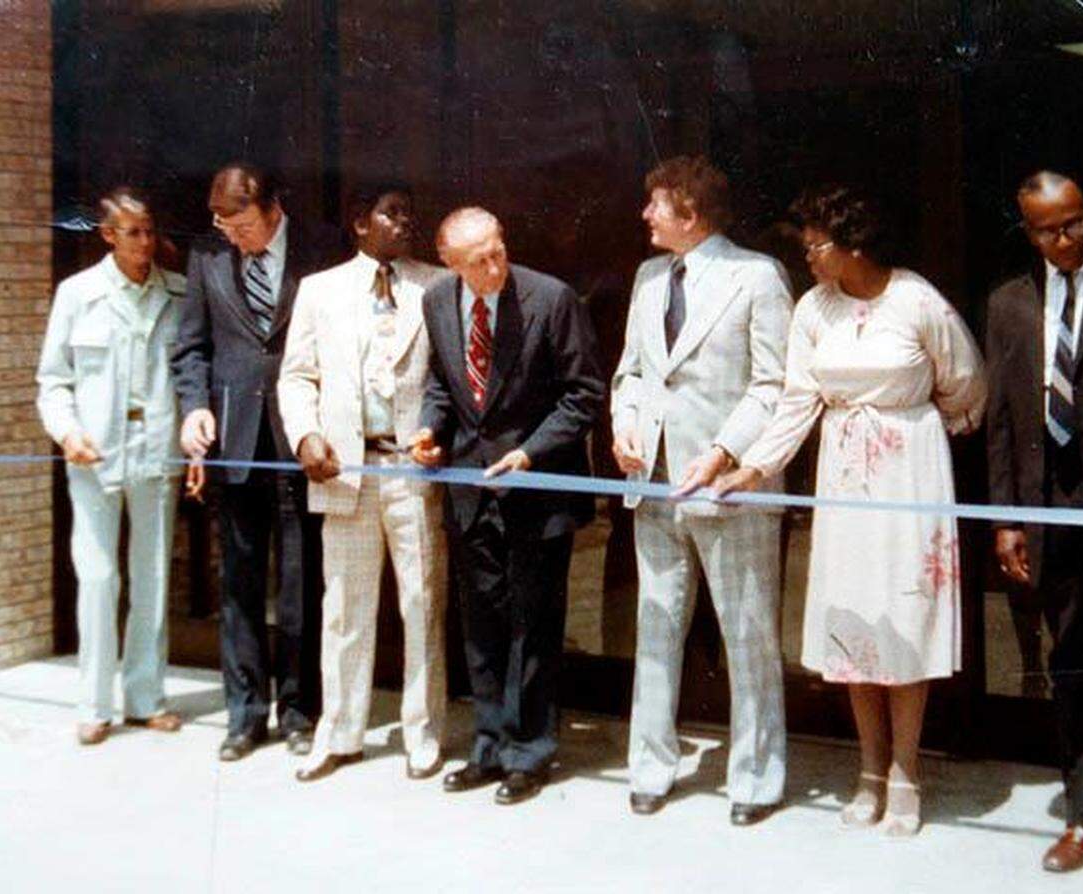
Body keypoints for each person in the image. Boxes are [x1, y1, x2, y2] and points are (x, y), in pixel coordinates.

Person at [715, 184, 986, 837]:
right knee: (855, 625)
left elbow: (966, 385)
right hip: (842, 479)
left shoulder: (918, 301)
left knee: (904, 618)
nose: (808, 253)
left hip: (909, 476)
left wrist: (912, 432)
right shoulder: (812, 309)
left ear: (854, 245)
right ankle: (868, 769)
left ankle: (906, 773)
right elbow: (796, 402)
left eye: (817, 243)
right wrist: (750, 467)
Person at [611, 155, 792, 822]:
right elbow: (630, 373)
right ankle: (649, 769)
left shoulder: (758, 277)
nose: (644, 216)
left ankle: (756, 779)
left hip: (730, 488)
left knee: (748, 637)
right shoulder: (649, 276)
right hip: (652, 483)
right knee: (655, 629)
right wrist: (625, 426)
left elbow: (774, 384)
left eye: (655, 205)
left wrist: (723, 452)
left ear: (689, 213)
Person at [411, 207, 604, 805]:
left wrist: (531, 452)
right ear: (450, 264)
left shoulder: (552, 299)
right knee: (482, 626)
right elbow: (443, 382)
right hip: (470, 489)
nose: (495, 265)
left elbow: (584, 394)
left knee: (534, 626)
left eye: (499, 250)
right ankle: (488, 745)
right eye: (479, 260)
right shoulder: (438, 300)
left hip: (536, 488)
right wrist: (429, 429)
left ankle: (530, 751)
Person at [171, 162, 343, 761]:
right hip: (234, 443)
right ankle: (244, 715)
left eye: (242, 224)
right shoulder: (208, 259)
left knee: (301, 583)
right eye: (224, 226)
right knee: (239, 583)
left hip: (303, 441)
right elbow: (191, 345)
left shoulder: (321, 250)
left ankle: (299, 709)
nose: (234, 237)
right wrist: (193, 408)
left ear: (273, 208)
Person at [278, 185, 448, 783]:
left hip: (411, 469)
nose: (404, 223)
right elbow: (297, 377)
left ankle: (422, 732)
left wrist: (435, 431)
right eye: (390, 213)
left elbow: (447, 377)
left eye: (409, 213)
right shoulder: (320, 291)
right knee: (345, 609)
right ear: (359, 223)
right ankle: (341, 731)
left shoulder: (435, 285)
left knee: (422, 605)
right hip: (345, 470)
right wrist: (305, 438)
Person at [986, 170, 1083, 873]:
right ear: (1027, 230)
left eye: (1075, 223)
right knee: (1074, 666)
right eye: (1048, 229)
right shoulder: (1008, 304)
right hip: (1051, 512)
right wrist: (1008, 521)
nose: (1064, 239)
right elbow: (1002, 420)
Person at [36, 186, 185, 745]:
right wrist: (67, 432)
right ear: (107, 235)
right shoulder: (78, 295)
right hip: (95, 454)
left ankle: (146, 697)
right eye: (132, 233)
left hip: (157, 450)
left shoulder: (177, 292)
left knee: (152, 576)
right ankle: (94, 703)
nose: (144, 243)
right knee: (98, 577)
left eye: (149, 231)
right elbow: (53, 382)